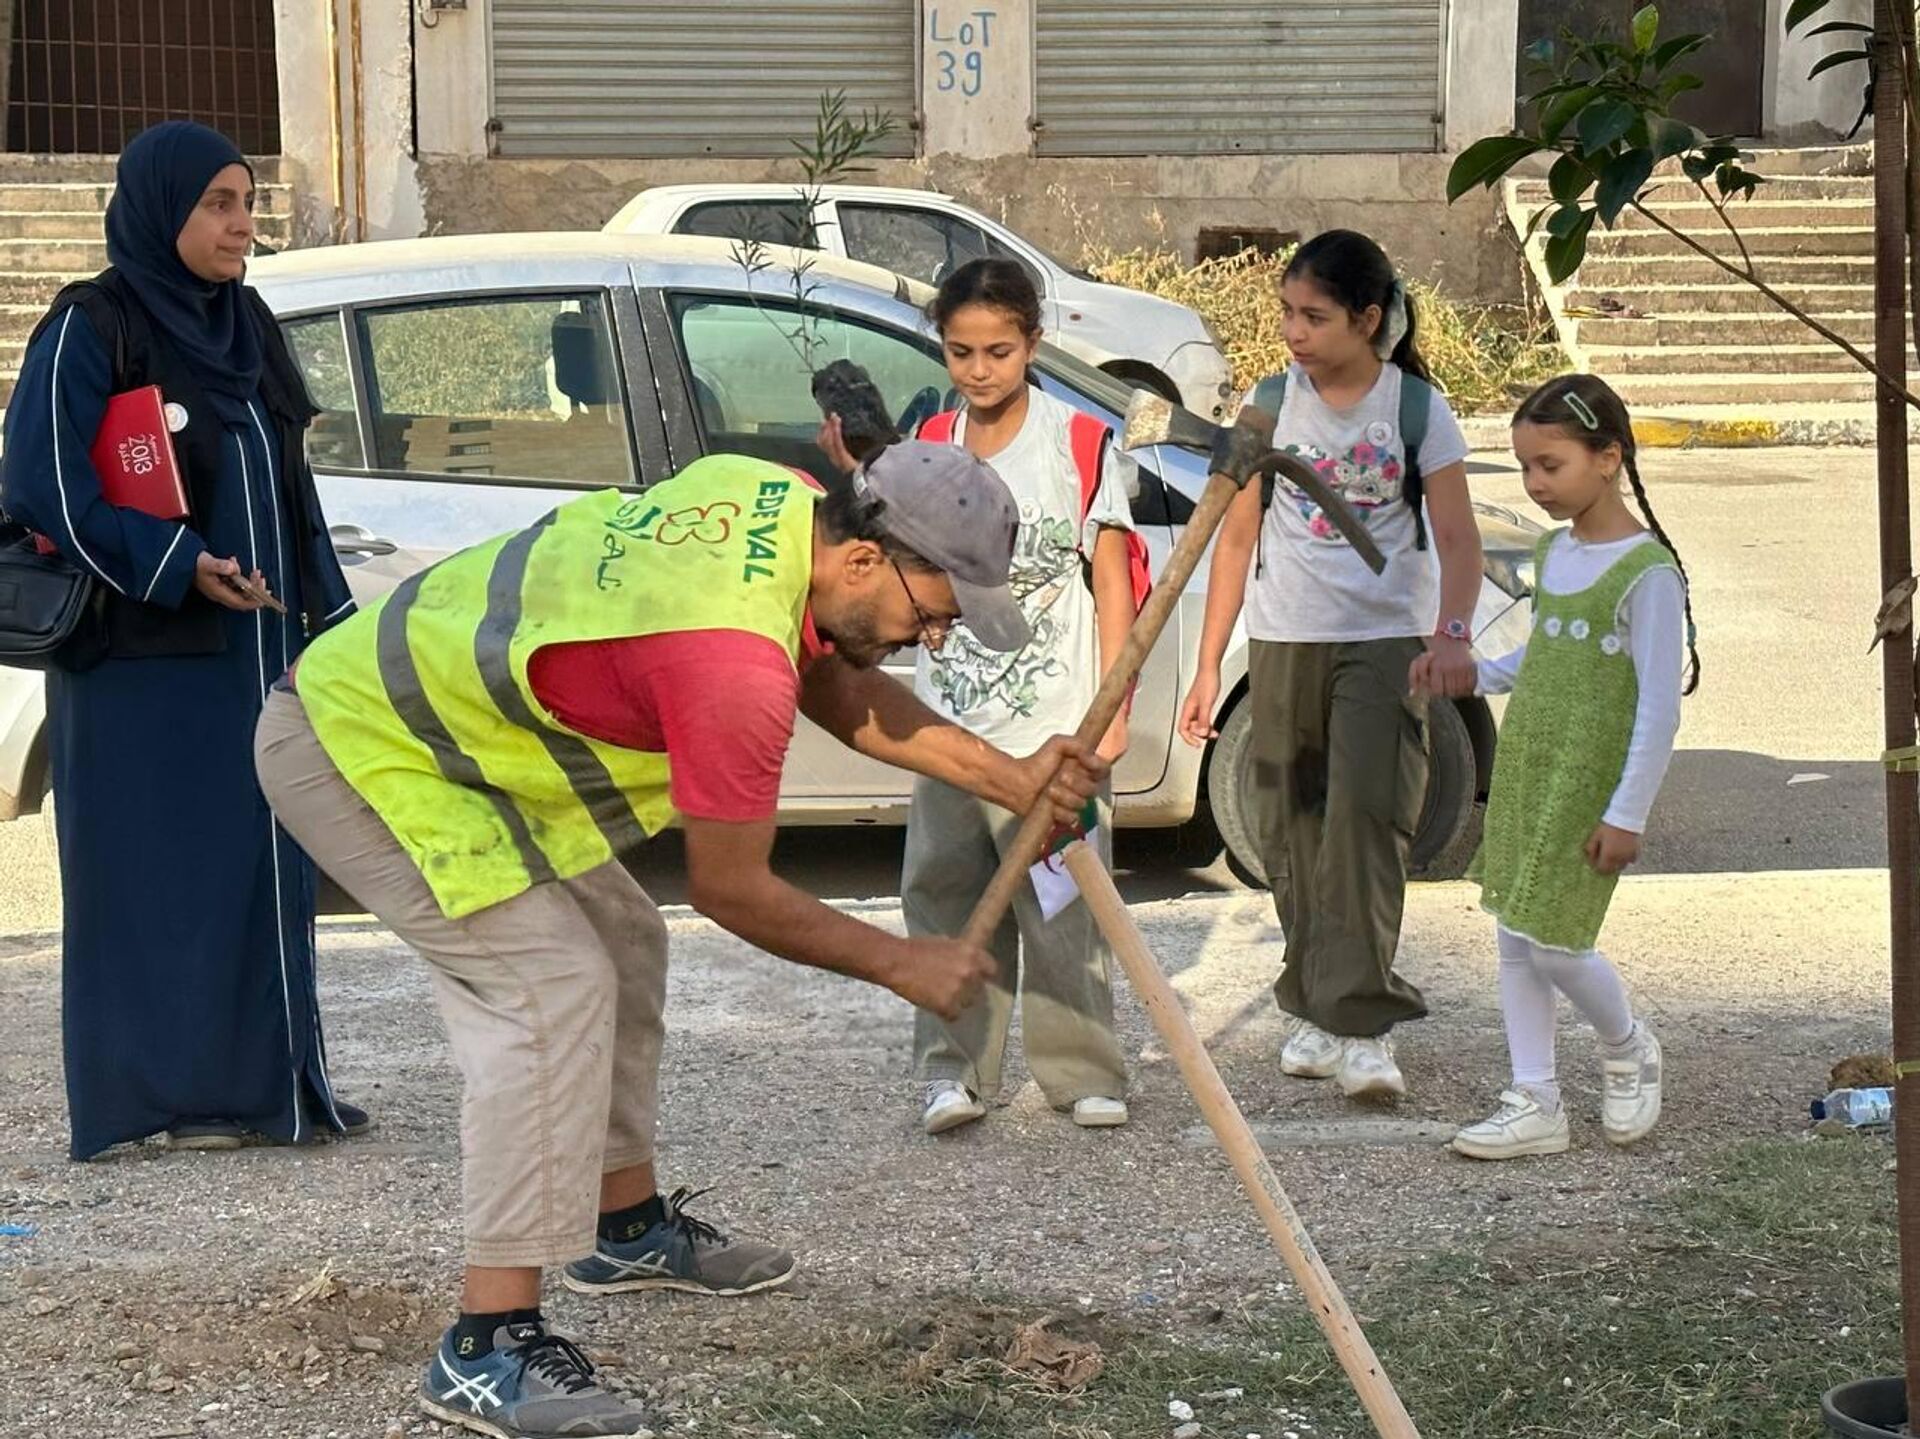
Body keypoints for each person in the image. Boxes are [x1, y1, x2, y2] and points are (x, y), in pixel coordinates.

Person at [254, 439, 1106, 1439]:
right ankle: (485, 1345)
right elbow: (733, 887)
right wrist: (901, 961)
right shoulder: (730, 661)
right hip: (354, 742)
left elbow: (837, 685)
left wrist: (1014, 778)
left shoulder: (790, 508)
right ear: (867, 560)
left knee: (623, 939)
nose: (932, 642)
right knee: (548, 984)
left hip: (455, 741)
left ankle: (621, 1229)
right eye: (931, 617)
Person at [0, 121, 363, 1159]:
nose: (242, 225)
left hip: (256, 665)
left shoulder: (243, 323)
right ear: (162, 208)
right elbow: (44, 484)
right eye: (217, 204)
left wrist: (325, 623)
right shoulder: (91, 324)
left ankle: (269, 1088)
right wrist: (175, 563)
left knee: (263, 868)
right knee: (155, 884)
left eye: (247, 202)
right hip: (142, 674)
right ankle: (152, 1099)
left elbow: (290, 485)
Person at [1176, 229, 1483, 1101]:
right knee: (1290, 829)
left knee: (1365, 822)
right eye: (1286, 313)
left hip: (1384, 639)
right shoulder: (1270, 407)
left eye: (1314, 316)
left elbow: (1457, 536)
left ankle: (1366, 1028)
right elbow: (1234, 537)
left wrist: (1451, 631)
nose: (1294, 332)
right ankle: (1314, 1004)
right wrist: (1208, 668)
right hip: (1284, 639)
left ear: (1369, 318)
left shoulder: (1415, 408)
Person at [1428, 375, 1696, 1160]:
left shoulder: (1647, 574)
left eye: (1551, 465)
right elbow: (1539, 657)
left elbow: (1658, 706)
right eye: (1525, 468)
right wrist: (1465, 672)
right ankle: (1535, 1097)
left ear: (1608, 457)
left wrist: (1628, 812)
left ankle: (1627, 1042)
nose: (1536, 485)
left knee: (1555, 940)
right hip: (1530, 771)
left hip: (1590, 787)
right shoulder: (1556, 550)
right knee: (1516, 932)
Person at [902, 257, 1138, 1136]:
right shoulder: (927, 438)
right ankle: (951, 1069)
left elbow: (1111, 579)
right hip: (950, 721)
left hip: (1056, 720)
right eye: (961, 351)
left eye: (999, 349)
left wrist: (1110, 709)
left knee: (1066, 902)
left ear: (1034, 343)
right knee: (945, 893)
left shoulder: (1078, 441)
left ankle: (1084, 1070)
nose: (979, 369)